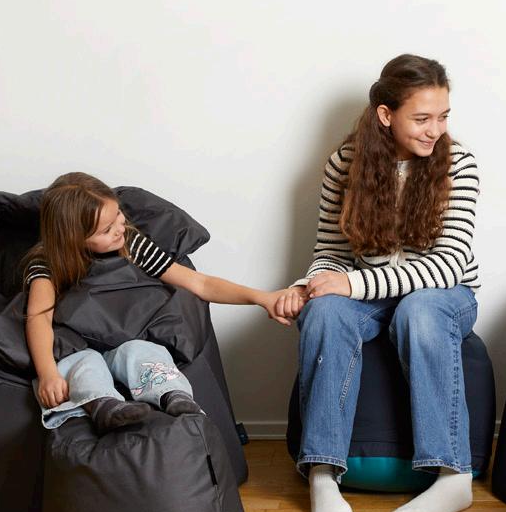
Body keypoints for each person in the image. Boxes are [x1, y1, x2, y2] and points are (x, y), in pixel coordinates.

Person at [274, 54, 481, 512]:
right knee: (324, 312)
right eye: (422, 118)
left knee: (418, 311)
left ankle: (453, 475)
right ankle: (323, 473)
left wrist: (351, 283)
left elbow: (447, 266)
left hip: (443, 296)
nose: (436, 130)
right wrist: (311, 285)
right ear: (386, 115)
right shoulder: (344, 164)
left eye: (443, 116)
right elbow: (330, 252)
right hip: (370, 295)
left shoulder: (459, 164)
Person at [24, 172, 302, 434]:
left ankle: (173, 395)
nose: (120, 227)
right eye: (107, 229)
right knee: (83, 364)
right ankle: (105, 406)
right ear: (74, 239)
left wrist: (261, 298)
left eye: (118, 214)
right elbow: (39, 317)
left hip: (126, 337)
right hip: (79, 345)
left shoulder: (131, 244)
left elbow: (200, 284)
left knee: (143, 352)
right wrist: (47, 373)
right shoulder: (47, 264)